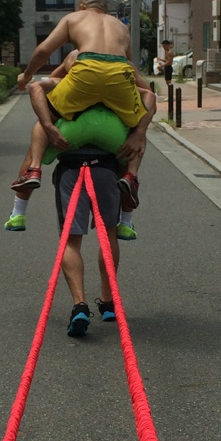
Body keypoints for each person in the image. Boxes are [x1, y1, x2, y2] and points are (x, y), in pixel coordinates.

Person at [6, 0, 152, 227]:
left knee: (44, 123)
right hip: (119, 74)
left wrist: (27, 76)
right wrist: (140, 131)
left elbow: (43, 52)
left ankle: (23, 198)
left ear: (82, 6)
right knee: (135, 132)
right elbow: (133, 72)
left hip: (86, 75)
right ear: (106, 9)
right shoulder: (121, 27)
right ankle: (128, 202)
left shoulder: (74, 23)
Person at [4, 49, 156, 237]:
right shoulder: (123, 63)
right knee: (133, 142)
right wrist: (139, 132)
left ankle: (20, 208)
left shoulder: (74, 56)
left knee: (41, 130)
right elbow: (149, 95)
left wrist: (49, 121)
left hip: (70, 131)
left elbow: (47, 82)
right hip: (112, 132)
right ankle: (126, 215)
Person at [52, 143, 123, 337]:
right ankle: (107, 303)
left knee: (70, 240)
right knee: (108, 234)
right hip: (106, 168)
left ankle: (79, 305)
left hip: (71, 167)